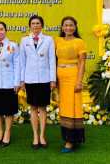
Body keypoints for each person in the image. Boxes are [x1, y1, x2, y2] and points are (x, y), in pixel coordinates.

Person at [20, 15, 56, 149]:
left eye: (38, 23)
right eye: (33, 23)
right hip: (30, 79)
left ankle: (42, 135)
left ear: (42, 26)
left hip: (45, 78)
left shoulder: (48, 39)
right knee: (33, 107)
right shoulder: (24, 40)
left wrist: (53, 80)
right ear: (30, 26)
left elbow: (52, 60)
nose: (35, 25)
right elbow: (22, 62)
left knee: (43, 107)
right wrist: (22, 80)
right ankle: (35, 135)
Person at [55, 16, 87, 153]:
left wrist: (79, 81)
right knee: (64, 108)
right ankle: (68, 137)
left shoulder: (79, 42)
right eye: (65, 25)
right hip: (60, 79)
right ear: (62, 27)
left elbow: (83, 63)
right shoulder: (57, 41)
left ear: (75, 27)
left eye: (71, 25)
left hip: (73, 78)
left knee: (73, 108)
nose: (68, 28)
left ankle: (72, 140)